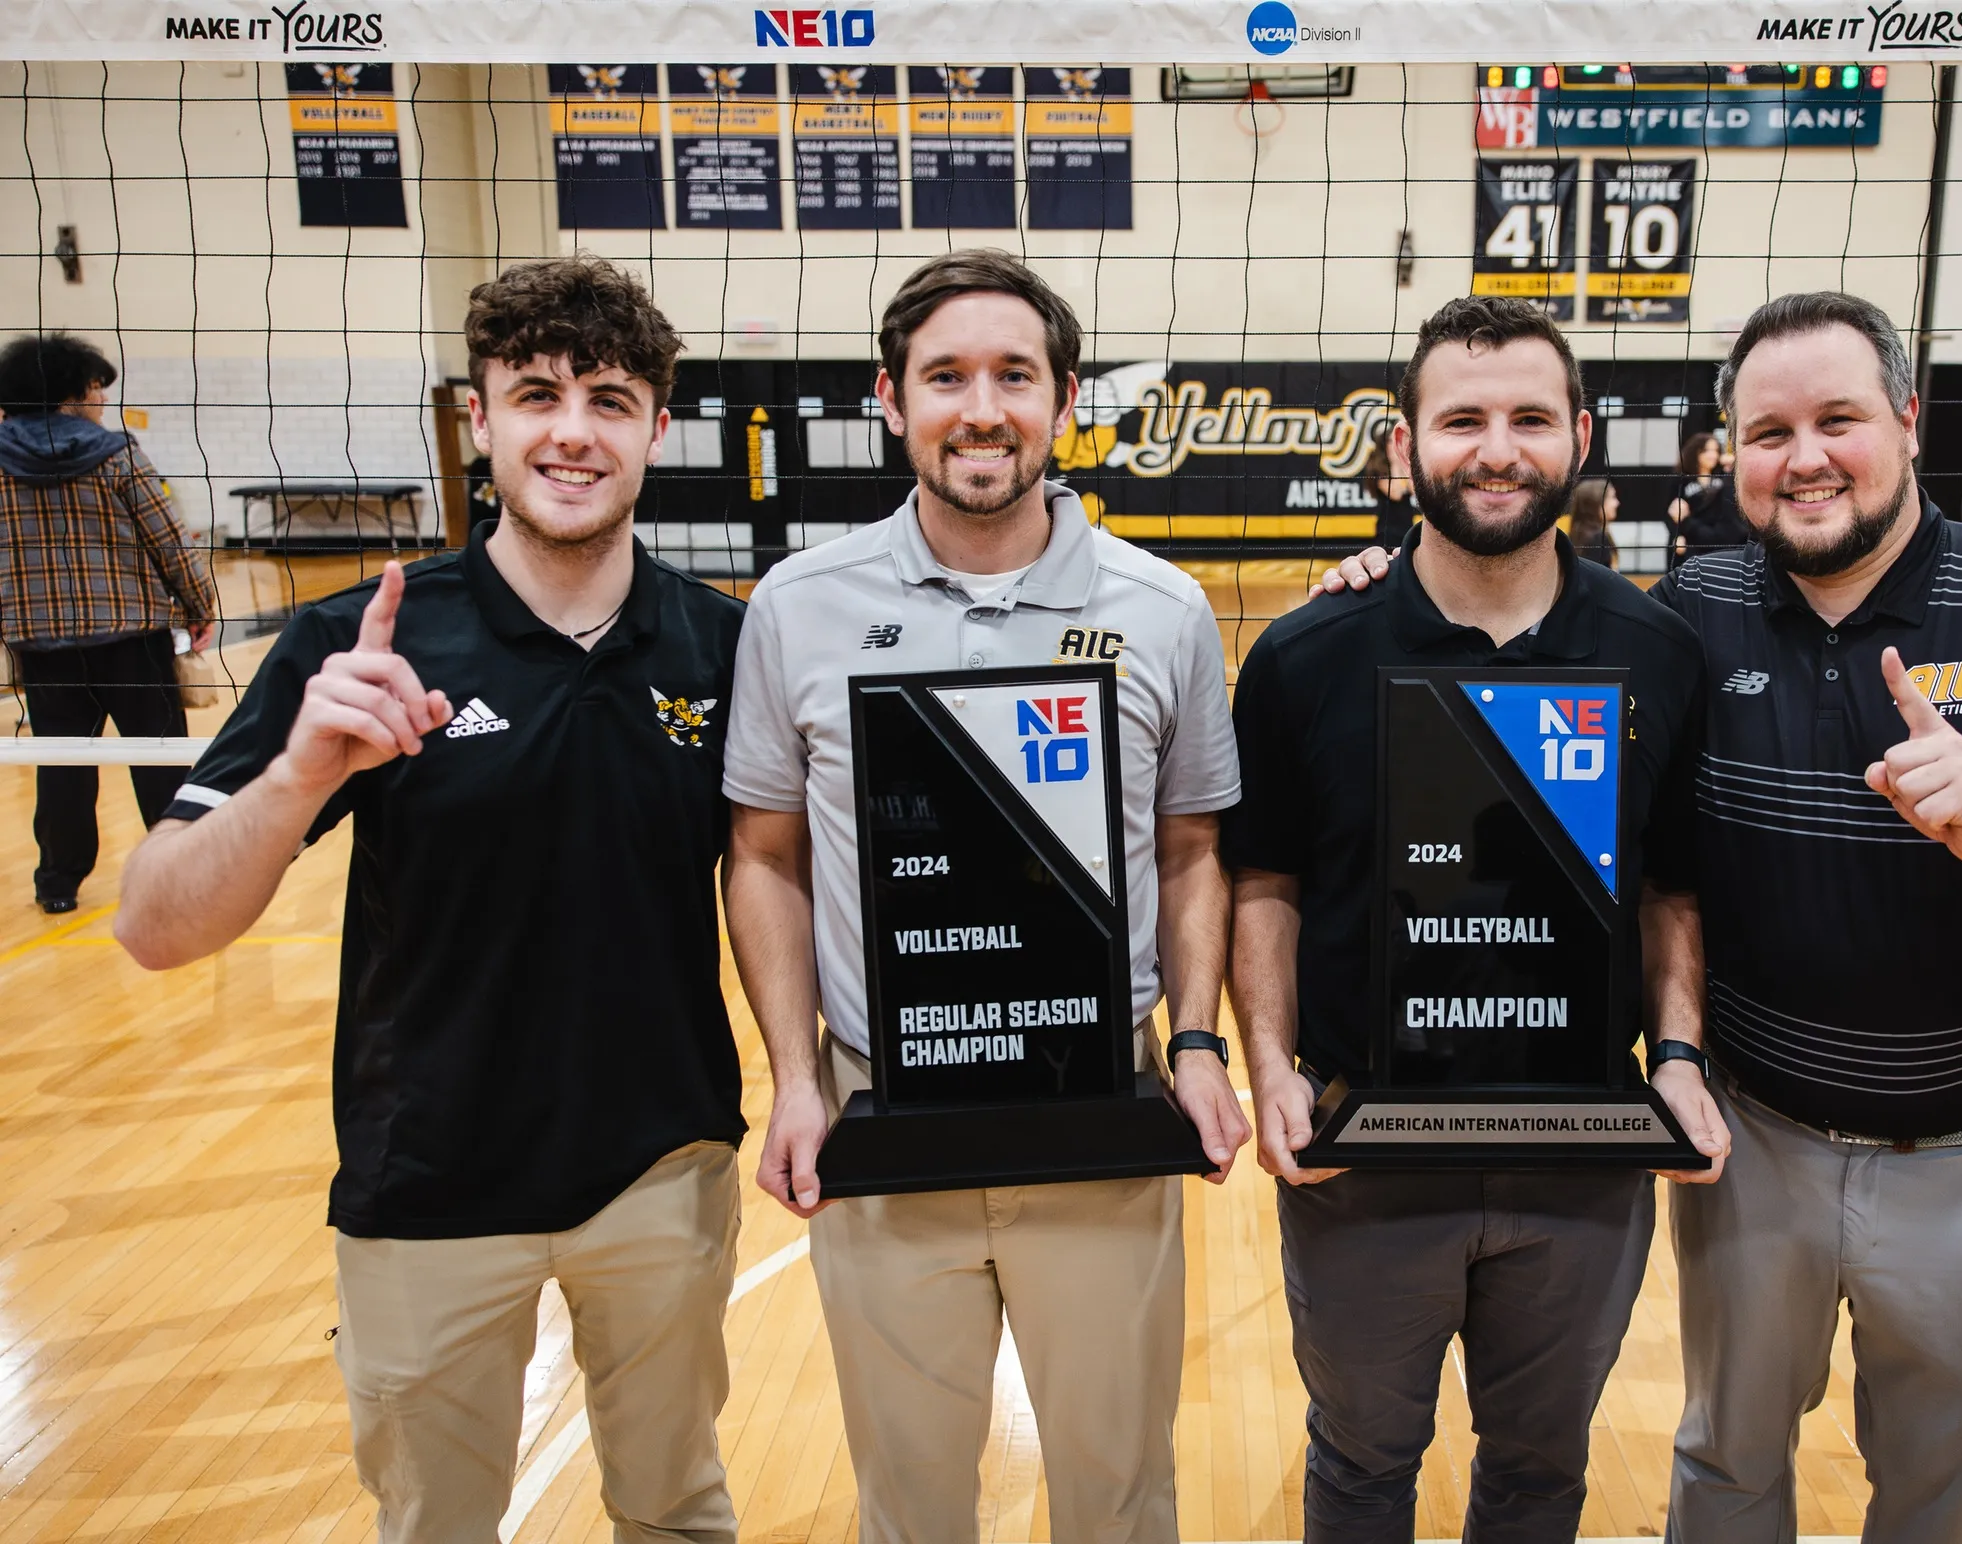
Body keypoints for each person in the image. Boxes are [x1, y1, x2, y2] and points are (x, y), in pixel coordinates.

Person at [1314, 289, 1962, 1544]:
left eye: (1836, 419)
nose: (1803, 459)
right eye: (1767, 430)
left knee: (1940, 1500)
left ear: (1906, 420)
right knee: (1725, 1466)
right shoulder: (1688, 615)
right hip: (1753, 1143)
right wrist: (1373, 579)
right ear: (1729, 449)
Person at [115, 257, 749, 1544]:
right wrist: (299, 770)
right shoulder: (364, 642)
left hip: (664, 1166)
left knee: (678, 1510)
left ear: (656, 429)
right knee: (433, 1525)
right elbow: (155, 923)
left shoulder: (725, 645)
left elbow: (787, 891)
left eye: (609, 399)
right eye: (536, 394)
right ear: (481, 418)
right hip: (430, 1181)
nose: (571, 431)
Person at [721, 248, 1249, 1544]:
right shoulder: (798, 607)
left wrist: (1191, 1043)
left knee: (1120, 1494)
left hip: (1097, 1113)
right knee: (908, 1503)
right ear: (891, 400)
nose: (981, 407)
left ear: (1063, 399)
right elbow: (764, 855)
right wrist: (794, 1079)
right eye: (944, 376)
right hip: (883, 1111)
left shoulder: (1162, 610)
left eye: (1013, 375)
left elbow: (1191, 850)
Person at [1224, 294, 1727, 1542]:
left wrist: (1676, 1055)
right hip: (1366, 1152)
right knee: (1358, 1461)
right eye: (1460, 419)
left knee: (1540, 1470)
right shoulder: (1303, 655)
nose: (1495, 447)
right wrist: (1270, 1067)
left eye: (1527, 418)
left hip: (1581, 1150)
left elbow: (1669, 884)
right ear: (1403, 446)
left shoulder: (1655, 651)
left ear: (1578, 435)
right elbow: (1265, 881)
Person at [0, 333, 217, 914]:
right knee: (159, 758)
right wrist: (200, 606)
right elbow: (169, 541)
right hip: (131, 637)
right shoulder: (116, 453)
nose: (101, 400)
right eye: (96, 388)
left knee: (62, 763)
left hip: (41, 641)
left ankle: (57, 884)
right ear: (74, 395)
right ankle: (180, 877)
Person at [1664, 431, 1744, 567]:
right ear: (1695, 452)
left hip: (1714, 539)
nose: (1712, 455)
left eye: (1716, 451)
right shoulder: (1682, 479)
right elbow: (1669, 512)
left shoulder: (1722, 476)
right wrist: (1676, 535)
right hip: (1688, 539)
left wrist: (1732, 464)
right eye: (1707, 451)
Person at [1363, 420, 1415, 549]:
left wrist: (1403, 462)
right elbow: (1395, 494)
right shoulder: (1377, 468)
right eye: (1392, 441)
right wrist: (1394, 462)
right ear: (1385, 444)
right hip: (1387, 530)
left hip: (1407, 527)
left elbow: (1414, 490)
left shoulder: (1405, 466)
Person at [1567, 475, 1620, 568]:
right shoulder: (1597, 538)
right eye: (1612, 497)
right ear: (1596, 502)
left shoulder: (1577, 534)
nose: (1617, 503)